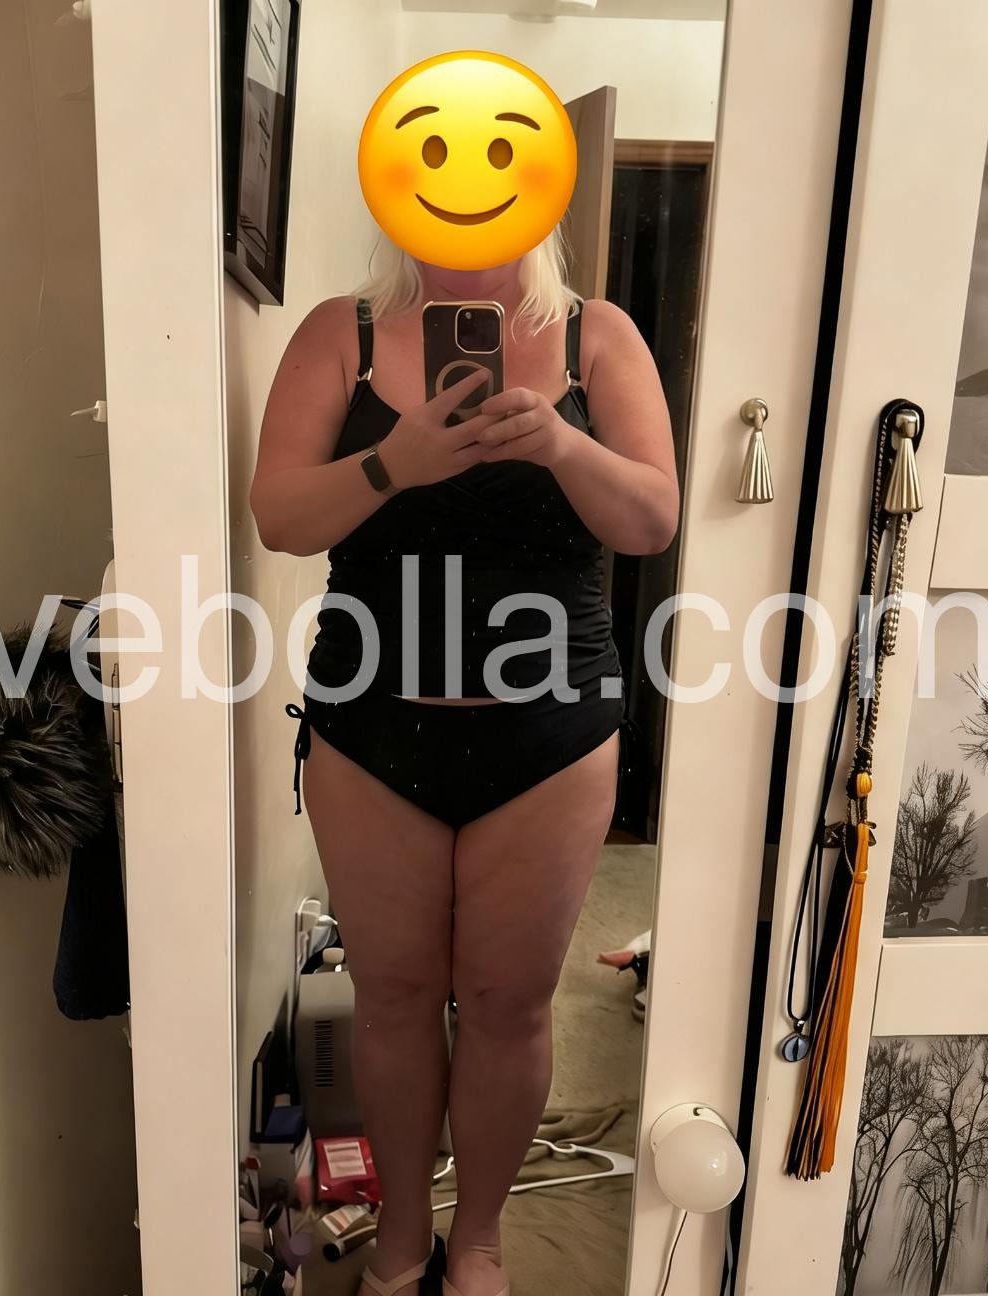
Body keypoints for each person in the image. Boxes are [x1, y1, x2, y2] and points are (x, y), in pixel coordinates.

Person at [250, 227, 677, 1296]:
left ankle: (477, 1241)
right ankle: (403, 1240)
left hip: (551, 736)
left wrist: (562, 446)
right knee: (392, 998)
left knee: (509, 1004)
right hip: (372, 730)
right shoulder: (340, 336)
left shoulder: (597, 339)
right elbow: (278, 516)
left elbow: (652, 520)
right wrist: (393, 464)